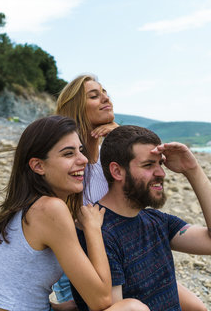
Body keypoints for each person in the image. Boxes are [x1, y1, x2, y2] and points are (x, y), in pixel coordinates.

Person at [54, 74, 206, 311]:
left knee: (195, 306)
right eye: (94, 96)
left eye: (105, 92)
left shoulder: (152, 219)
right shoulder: (71, 169)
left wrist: (192, 169)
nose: (106, 98)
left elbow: (131, 170)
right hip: (88, 259)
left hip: (128, 246)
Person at [0, 115, 141, 311]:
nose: (84, 160)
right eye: (68, 154)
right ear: (38, 166)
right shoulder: (50, 209)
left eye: (80, 151)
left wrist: (57, 307)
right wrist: (93, 229)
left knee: (73, 306)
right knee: (132, 308)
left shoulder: (26, 204)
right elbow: (102, 300)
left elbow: (15, 285)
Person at [72, 125, 210, 310]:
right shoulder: (96, 231)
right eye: (148, 165)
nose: (161, 173)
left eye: (160, 164)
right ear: (117, 171)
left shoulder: (154, 219)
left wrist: (192, 169)